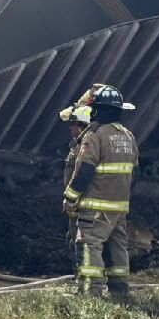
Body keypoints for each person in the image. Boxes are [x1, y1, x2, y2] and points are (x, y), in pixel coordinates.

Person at [63, 84, 138, 298]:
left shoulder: (95, 135)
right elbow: (135, 172)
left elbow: (85, 169)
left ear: (98, 110)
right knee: (117, 248)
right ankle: (120, 291)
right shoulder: (128, 136)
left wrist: (70, 198)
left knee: (89, 246)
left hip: (95, 207)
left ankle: (90, 294)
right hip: (119, 208)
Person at [58, 100, 93, 268]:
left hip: (82, 204)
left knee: (80, 243)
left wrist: (71, 198)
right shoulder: (78, 145)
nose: (70, 128)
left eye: (72, 124)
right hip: (76, 205)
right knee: (74, 240)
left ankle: (84, 276)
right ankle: (81, 275)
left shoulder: (85, 147)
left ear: (81, 126)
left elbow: (83, 175)